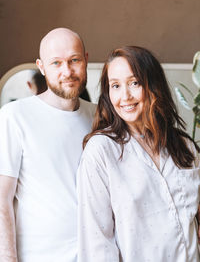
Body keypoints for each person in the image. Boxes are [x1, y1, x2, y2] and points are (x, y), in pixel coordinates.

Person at [77, 46, 200, 262]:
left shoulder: (185, 147)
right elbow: (97, 243)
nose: (124, 96)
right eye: (115, 86)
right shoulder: (101, 151)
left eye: (134, 83)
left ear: (153, 86)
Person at [0, 27, 96, 262]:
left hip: (95, 254)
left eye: (74, 60)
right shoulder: (15, 116)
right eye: (56, 63)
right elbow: (2, 200)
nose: (67, 71)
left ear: (85, 59)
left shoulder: (100, 116)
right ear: (41, 66)